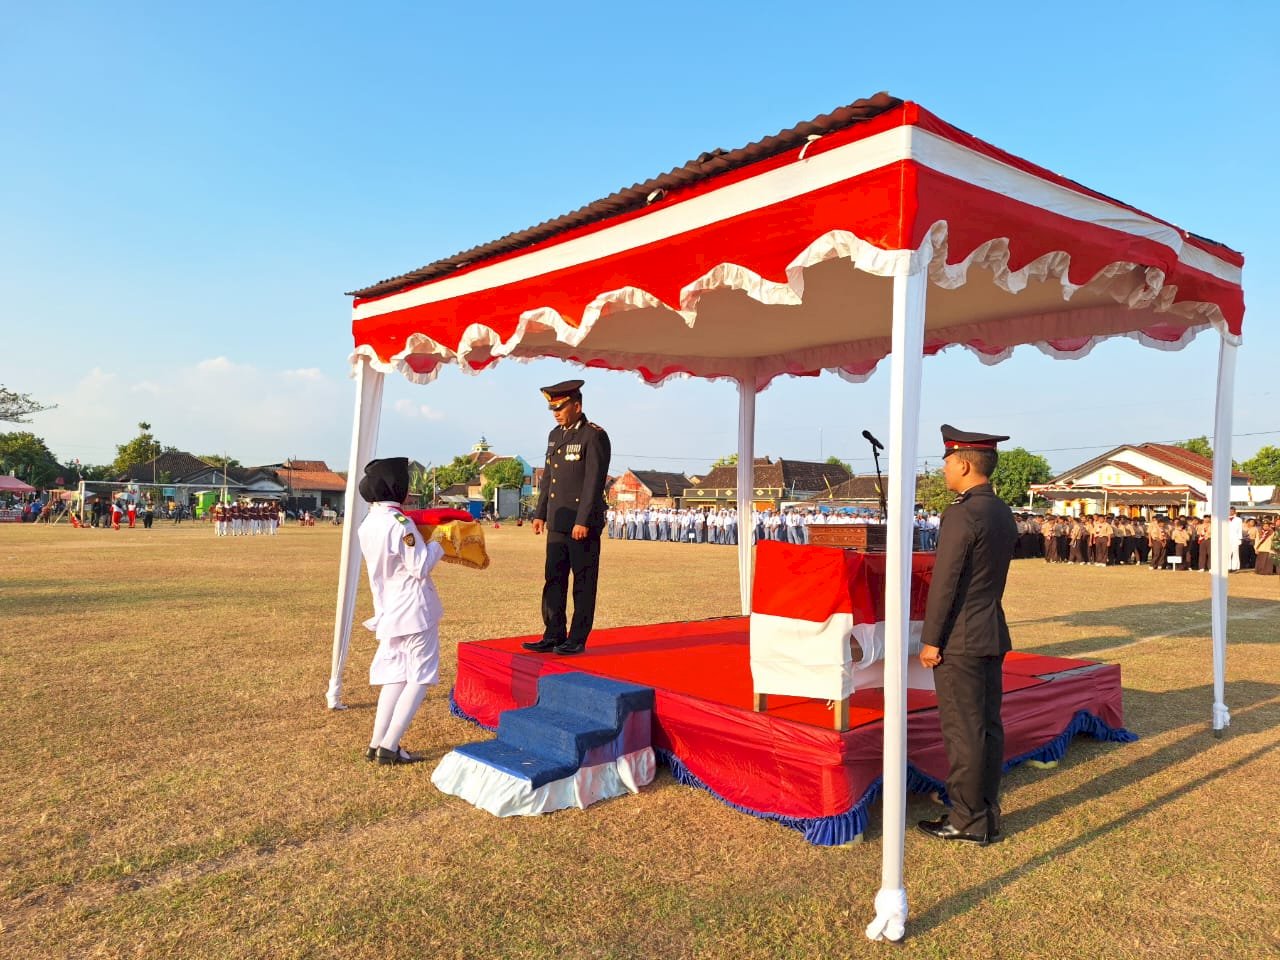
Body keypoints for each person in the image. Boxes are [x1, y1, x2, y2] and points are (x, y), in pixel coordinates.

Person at [917, 424, 1018, 846]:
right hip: (989, 630)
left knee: (963, 730)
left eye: (945, 462)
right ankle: (985, 811)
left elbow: (947, 581)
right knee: (988, 727)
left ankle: (966, 817)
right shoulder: (1000, 510)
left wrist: (931, 638)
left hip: (960, 638)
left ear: (961, 463)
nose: (943, 470)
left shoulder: (962, 513)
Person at [357, 456, 445, 765]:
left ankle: (376, 742)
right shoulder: (400, 523)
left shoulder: (369, 523)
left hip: (389, 609)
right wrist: (440, 543)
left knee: (395, 677)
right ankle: (390, 747)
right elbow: (419, 566)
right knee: (421, 677)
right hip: (414, 609)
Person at [523, 379, 611, 656]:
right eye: (552, 409)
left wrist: (583, 520)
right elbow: (549, 477)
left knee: (583, 583)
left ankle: (577, 638)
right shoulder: (555, 435)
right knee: (554, 579)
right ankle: (553, 633)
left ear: (577, 405)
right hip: (558, 522)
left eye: (560, 407)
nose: (556, 413)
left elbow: (593, 483)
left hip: (581, 523)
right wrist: (539, 514)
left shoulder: (593, 435)